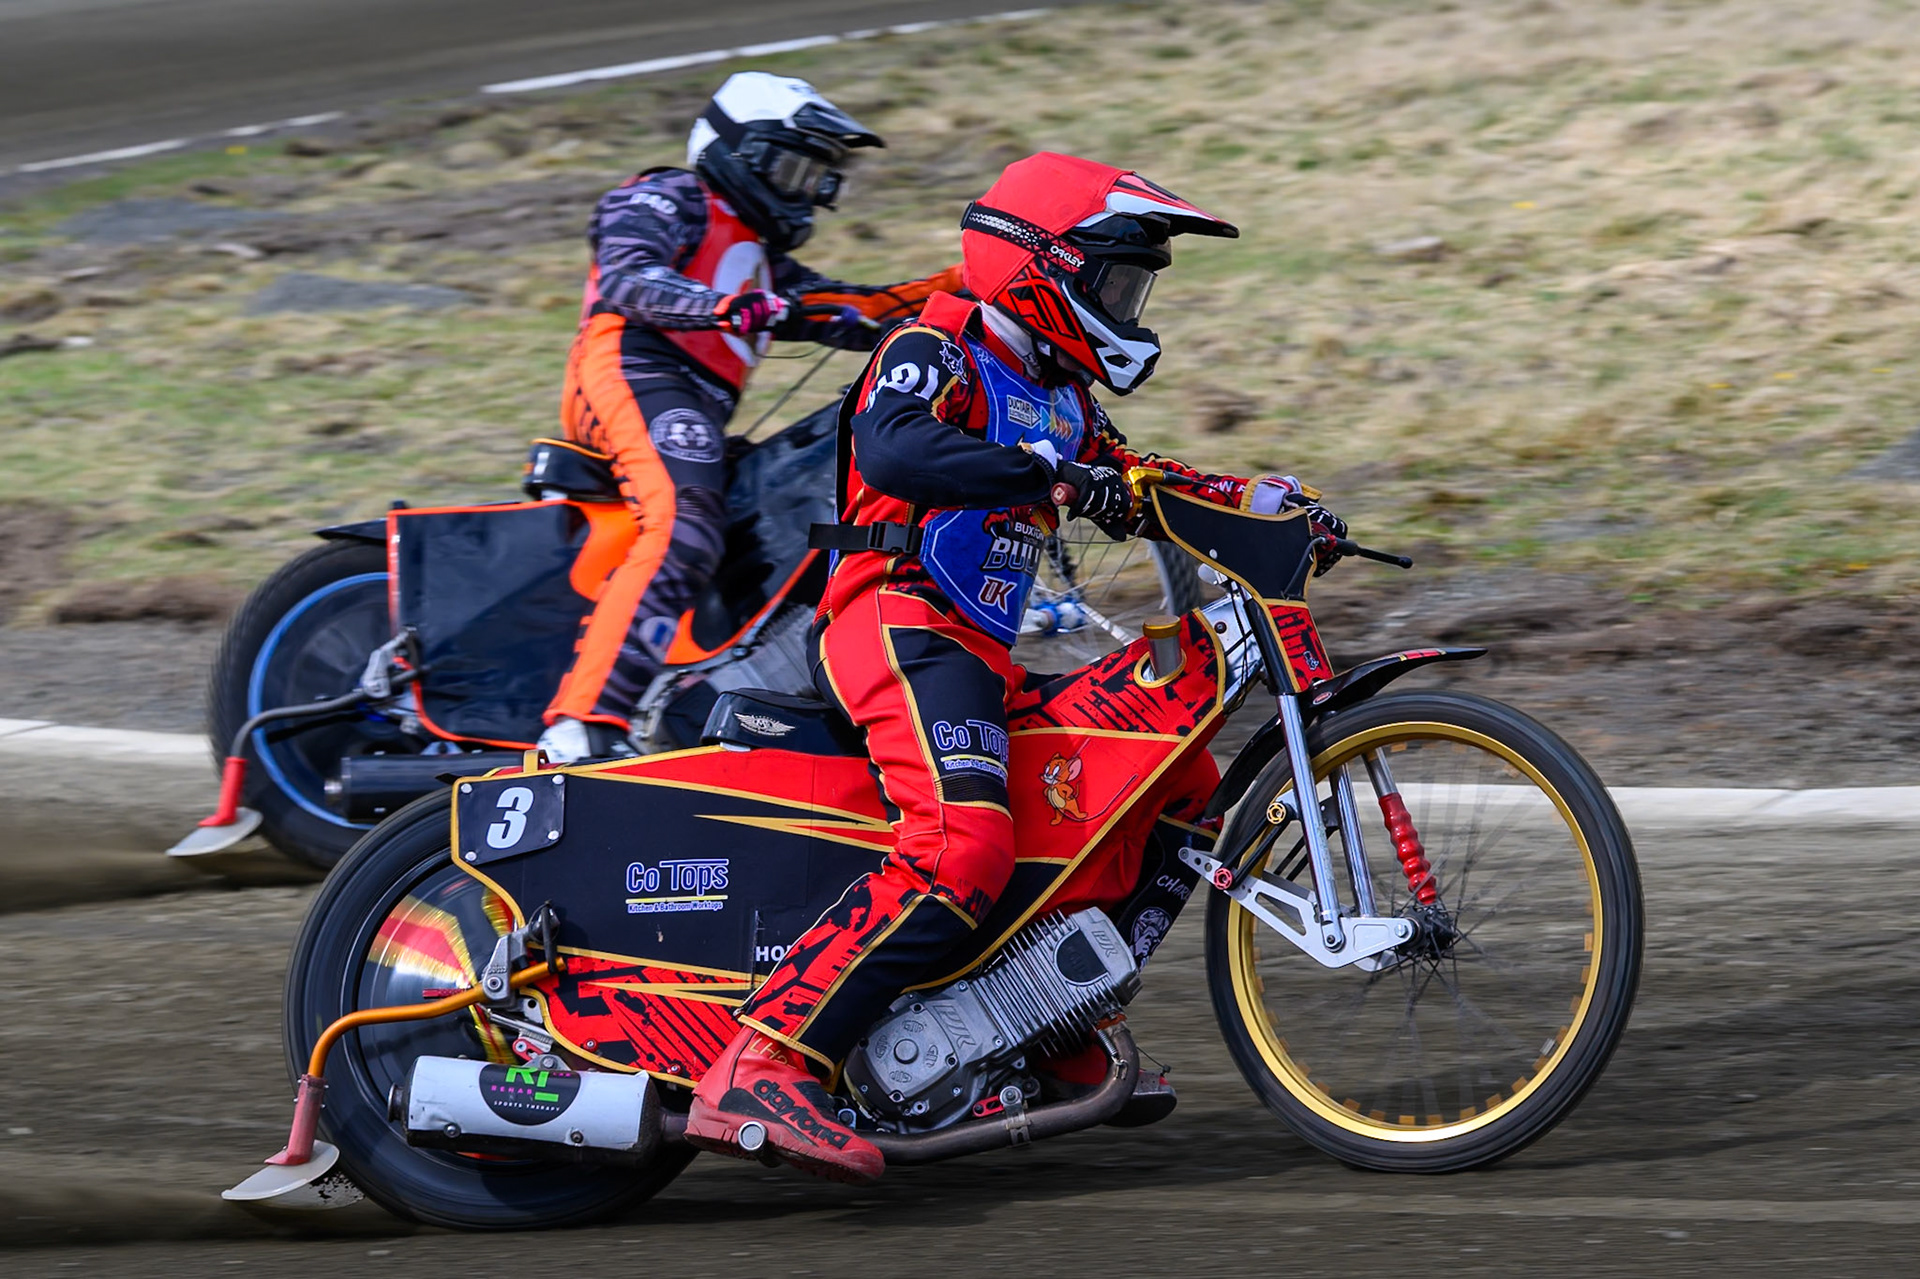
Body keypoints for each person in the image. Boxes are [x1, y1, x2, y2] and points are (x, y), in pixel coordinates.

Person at [684, 152, 1348, 1182]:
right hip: (893, 620)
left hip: (974, 652)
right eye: (1114, 282)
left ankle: (1034, 1020)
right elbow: (897, 448)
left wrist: (1265, 503)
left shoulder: (1062, 394)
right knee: (963, 846)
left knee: (1174, 782)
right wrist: (1056, 474)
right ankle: (764, 1057)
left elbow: (1145, 480)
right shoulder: (934, 342)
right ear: (1043, 268)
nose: (1127, 304)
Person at [537, 72, 965, 762]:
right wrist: (718, 306)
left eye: (819, 176)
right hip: (632, 367)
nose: (808, 192)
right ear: (743, 152)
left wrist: (969, 286)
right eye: (796, 168)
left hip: (691, 403)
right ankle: (581, 725)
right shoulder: (669, 195)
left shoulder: (764, 262)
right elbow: (625, 275)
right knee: (686, 520)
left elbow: (860, 310)